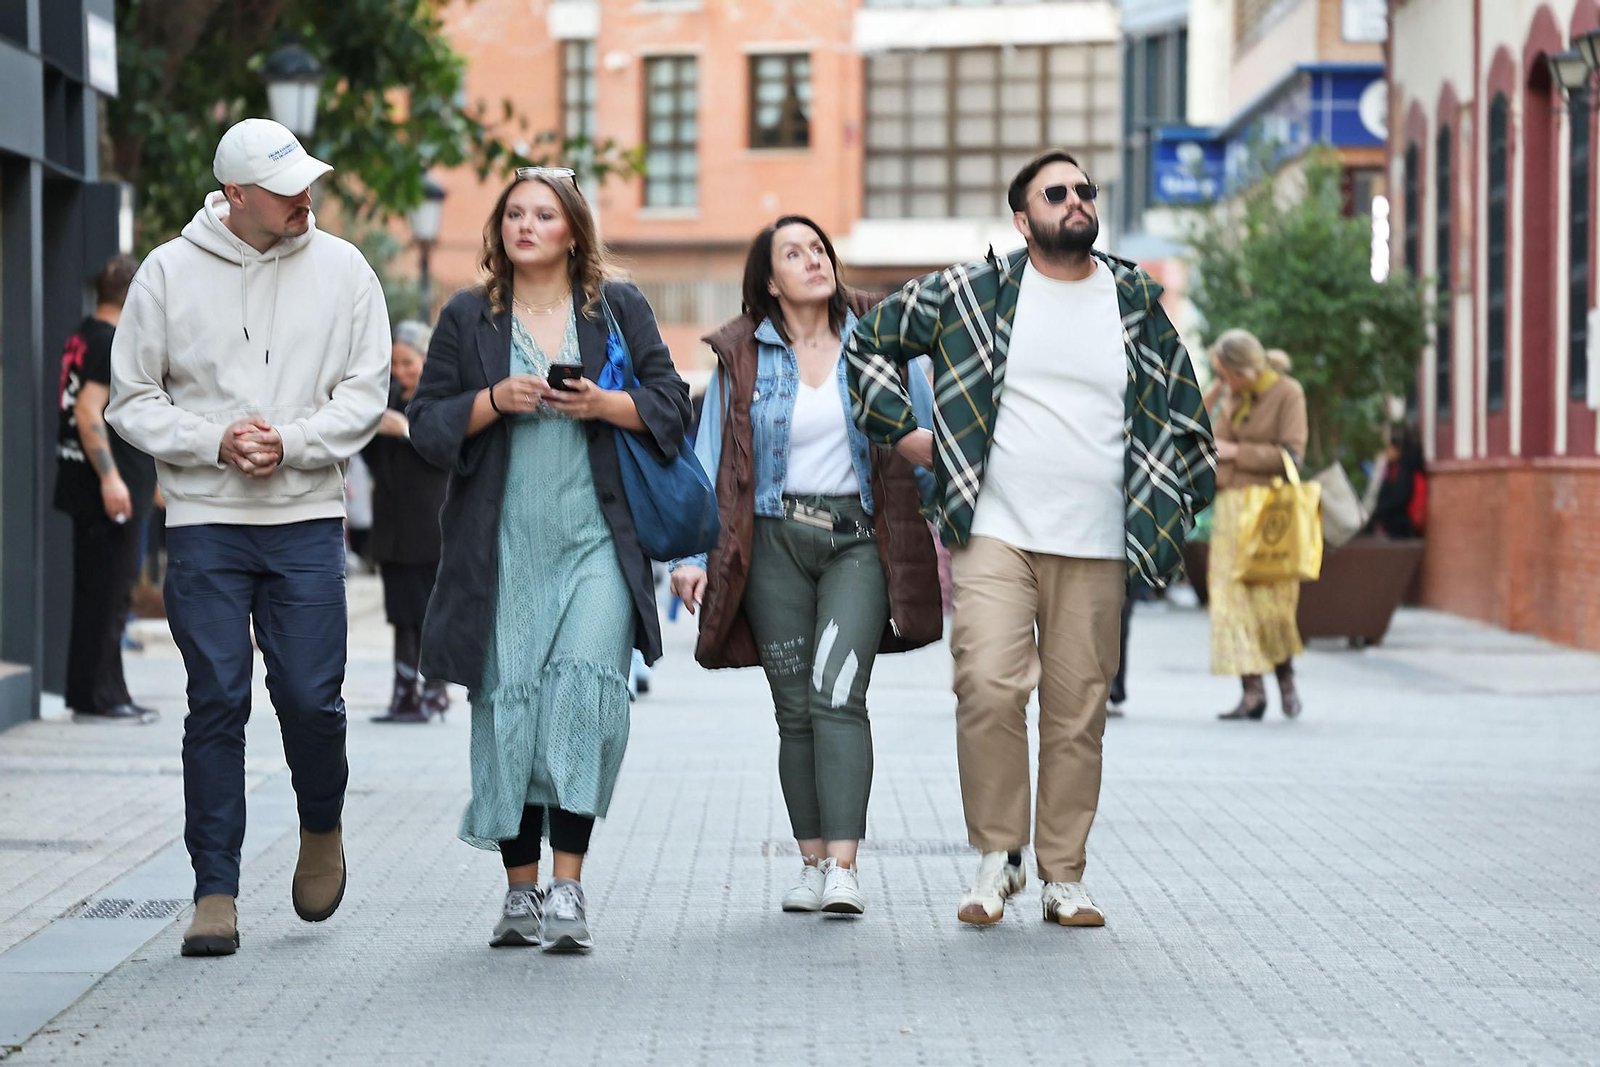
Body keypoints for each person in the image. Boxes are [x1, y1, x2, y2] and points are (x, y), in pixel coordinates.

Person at [846, 149, 1216, 929]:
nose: (1077, 200)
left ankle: (1063, 874)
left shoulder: (1136, 298)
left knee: (1077, 709)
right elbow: (868, 342)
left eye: (1086, 190)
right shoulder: (971, 292)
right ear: (1023, 218)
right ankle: (997, 855)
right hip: (995, 527)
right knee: (985, 683)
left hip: (1098, 538)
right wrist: (909, 436)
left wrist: (1170, 499)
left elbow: (1186, 412)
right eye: (1058, 192)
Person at [107, 118, 391, 957]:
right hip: (205, 521)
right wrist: (214, 440)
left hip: (304, 518)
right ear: (235, 195)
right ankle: (215, 890)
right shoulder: (166, 272)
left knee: (310, 698)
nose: (307, 196)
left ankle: (321, 821)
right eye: (286, 186)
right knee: (217, 699)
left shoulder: (345, 269)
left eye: (309, 180)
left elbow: (365, 389)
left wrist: (293, 442)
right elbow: (131, 397)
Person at [407, 167, 690, 954]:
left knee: (578, 695)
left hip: (597, 540)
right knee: (511, 709)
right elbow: (427, 425)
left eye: (544, 214)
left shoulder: (616, 309)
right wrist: (493, 401)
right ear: (498, 229)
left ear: (573, 230)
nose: (525, 225)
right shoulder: (468, 317)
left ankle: (568, 884)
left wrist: (601, 404)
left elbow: (672, 403)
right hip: (501, 551)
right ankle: (520, 892)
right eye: (513, 214)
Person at [669, 215, 942, 917]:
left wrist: (954, 526)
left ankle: (845, 866)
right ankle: (812, 860)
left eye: (818, 248)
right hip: (771, 543)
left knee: (837, 693)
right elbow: (712, 461)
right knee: (793, 709)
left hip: (857, 538)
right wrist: (692, 554)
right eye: (794, 252)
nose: (813, 259)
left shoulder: (881, 338)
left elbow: (925, 435)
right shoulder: (741, 354)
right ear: (769, 278)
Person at [54, 254, 160, 725]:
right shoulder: (111, 342)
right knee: (110, 595)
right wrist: (113, 478)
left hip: (89, 487)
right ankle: (101, 695)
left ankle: (95, 691)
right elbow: (87, 411)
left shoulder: (83, 334)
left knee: (99, 593)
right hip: (106, 491)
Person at [1205, 330, 1309, 720]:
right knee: (1231, 605)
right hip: (1232, 510)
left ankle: (1286, 681)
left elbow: (1291, 457)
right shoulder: (1231, 394)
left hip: (1269, 513)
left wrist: (1236, 452)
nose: (1224, 380)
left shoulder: (1288, 394)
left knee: (1271, 605)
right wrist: (1215, 391)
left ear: (1244, 370)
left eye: (1225, 373)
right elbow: (1206, 440)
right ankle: (1252, 693)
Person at [364, 320, 451, 723]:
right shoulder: (389, 399)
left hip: (429, 526)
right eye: (395, 363)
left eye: (408, 362)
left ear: (426, 359)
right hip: (392, 525)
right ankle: (403, 695)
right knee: (400, 613)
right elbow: (372, 461)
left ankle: (434, 691)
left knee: (427, 612)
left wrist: (405, 431)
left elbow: (447, 451)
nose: (401, 371)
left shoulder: (441, 399)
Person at [1364, 423, 1426, 540]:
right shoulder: (1395, 467)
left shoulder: (1404, 470)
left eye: (1389, 447)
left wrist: (1378, 512)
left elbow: (1399, 497)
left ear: (1397, 450)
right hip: (1397, 524)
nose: (1386, 452)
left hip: (1402, 526)